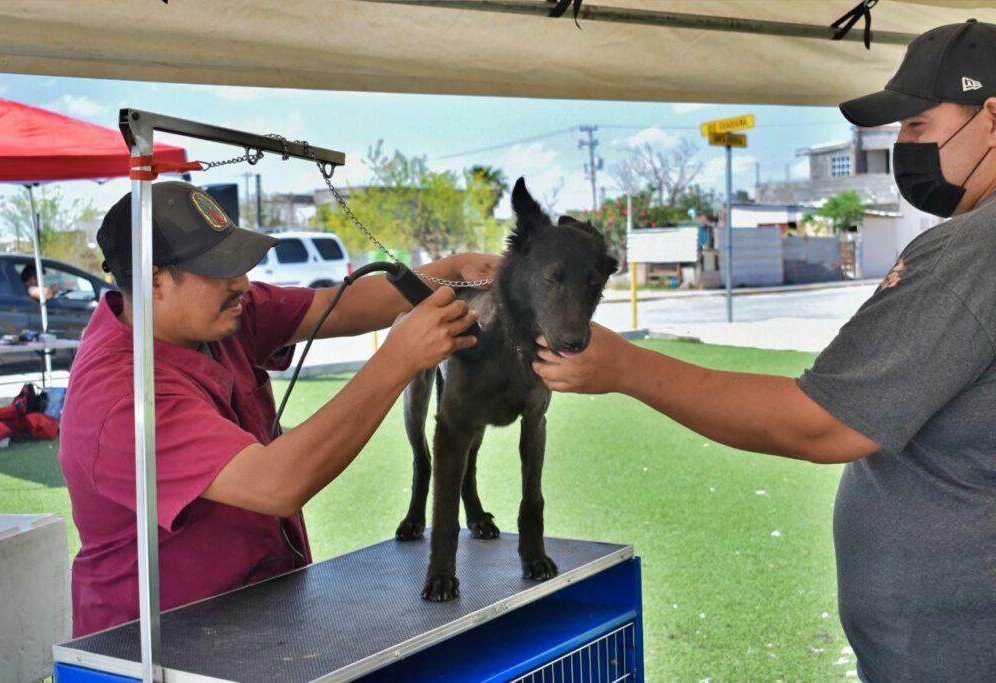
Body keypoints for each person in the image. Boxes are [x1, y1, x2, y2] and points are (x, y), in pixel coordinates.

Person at [533, 20, 996, 683]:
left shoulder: (973, 249)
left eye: (917, 126)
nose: (902, 147)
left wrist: (626, 366)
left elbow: (822, 422)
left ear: (992, 118)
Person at [59, 180, 495, 637]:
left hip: (259, 616)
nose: (242, 282)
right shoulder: (122, 400)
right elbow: (276, 484)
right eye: (220, 266)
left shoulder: (213, 315)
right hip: (161, 646)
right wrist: (398, 360)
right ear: (155, 281)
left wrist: (451, 271)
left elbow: (335, 307)